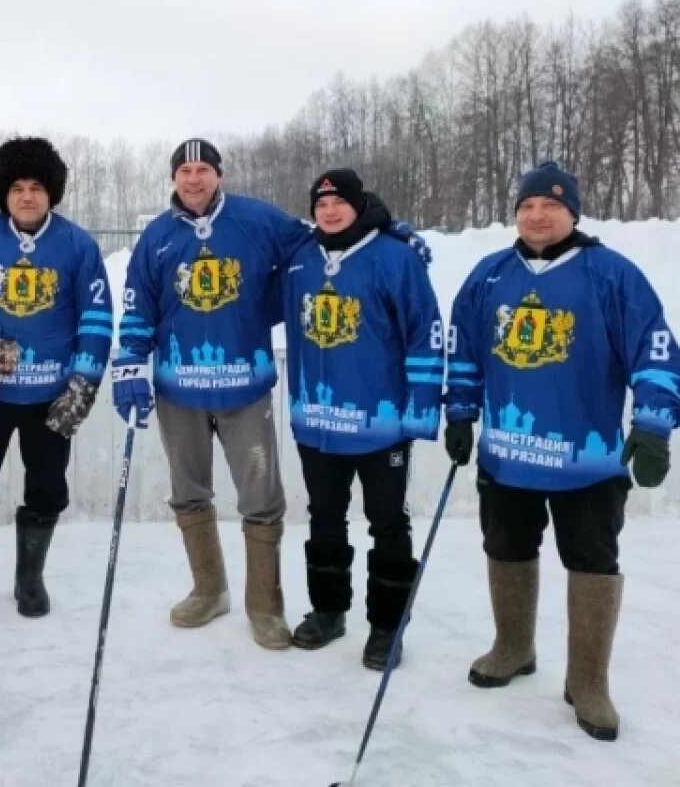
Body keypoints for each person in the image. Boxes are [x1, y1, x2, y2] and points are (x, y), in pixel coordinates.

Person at [444, 160, 680, 741]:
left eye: (550, 206)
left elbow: (654, 353)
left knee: (593, 560)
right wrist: (459, 414)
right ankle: (513, 648)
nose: (537, 215)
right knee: (505, 547)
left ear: (572, 212)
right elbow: (466, 353)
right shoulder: (489, 276)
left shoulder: (611, 275)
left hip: (588, 461)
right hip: (507, 453)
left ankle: (588, 680)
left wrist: (653, 426)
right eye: (526, 206)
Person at [112, 138, 312, 650]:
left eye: (203, 169)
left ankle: (265, 606)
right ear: (174, 179)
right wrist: (130, 366)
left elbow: (316, 246)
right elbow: (138, 308)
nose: (193, 179)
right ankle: (209, 588)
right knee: (189, 490)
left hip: (245, 386)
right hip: (180, 390)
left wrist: (381, 234)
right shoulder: (156, 236)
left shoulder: (256, 219)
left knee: (261, 496)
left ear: (218, 174)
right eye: (184, 171)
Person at [0, 137, 110, 623]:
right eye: (16, 187)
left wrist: (83, 384)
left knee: (47, 489)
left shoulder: (77, 245)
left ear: (51, 191)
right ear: (2, 193)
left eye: (35, 187)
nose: (27, 196)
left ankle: (29, 579)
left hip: (51, 397)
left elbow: (96, 319)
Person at [281, 168, 442, 669]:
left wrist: (420, 407)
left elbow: (424, 331)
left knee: (387, 522)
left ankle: (387, 626)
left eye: (339, 202)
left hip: (380, 423)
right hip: (318, 419)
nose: (329, 211)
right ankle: (329, 611)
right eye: (320, 204)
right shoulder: (300, 259)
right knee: (324, 517)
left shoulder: (395, 256)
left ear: (358, 204)